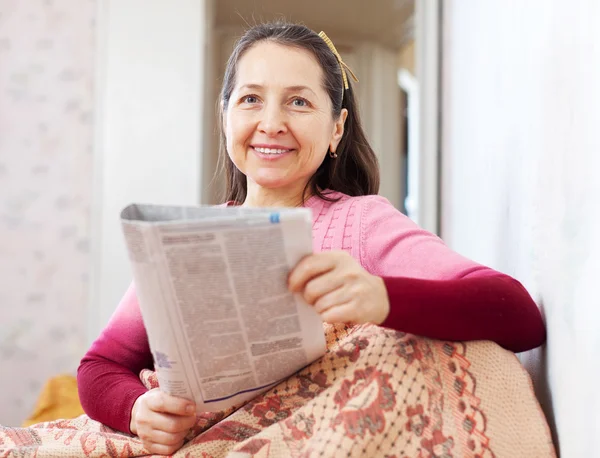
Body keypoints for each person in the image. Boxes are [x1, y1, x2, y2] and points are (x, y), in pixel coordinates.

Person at [77, 22, 546, 455]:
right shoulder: (183, 239)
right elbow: (99, 366)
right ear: (226, 118)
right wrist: (136, 409)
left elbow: (519, 315)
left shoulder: (362, 222)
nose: (272, 122)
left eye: (299, 102)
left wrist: (379, 296)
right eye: (251, 99)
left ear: (336, 128)